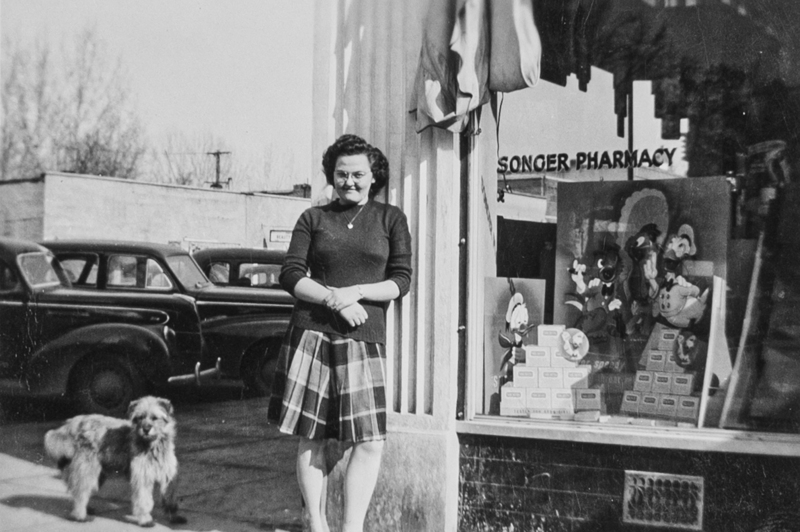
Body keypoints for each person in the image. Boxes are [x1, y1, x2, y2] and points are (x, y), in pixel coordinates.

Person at [268, 134, 413, 532]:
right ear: (332, 175)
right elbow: (291, 274)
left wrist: (359, 293)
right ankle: (316, 524)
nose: (349, 181)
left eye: (358, 174)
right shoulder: (313, 218)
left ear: (374, 176)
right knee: (312, 437)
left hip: (364, 341)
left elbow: (401, 280)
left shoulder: (391, 218)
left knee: (368, 440)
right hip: (312, 335)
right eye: (341, 174)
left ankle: (352, 529)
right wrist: (335, 300)